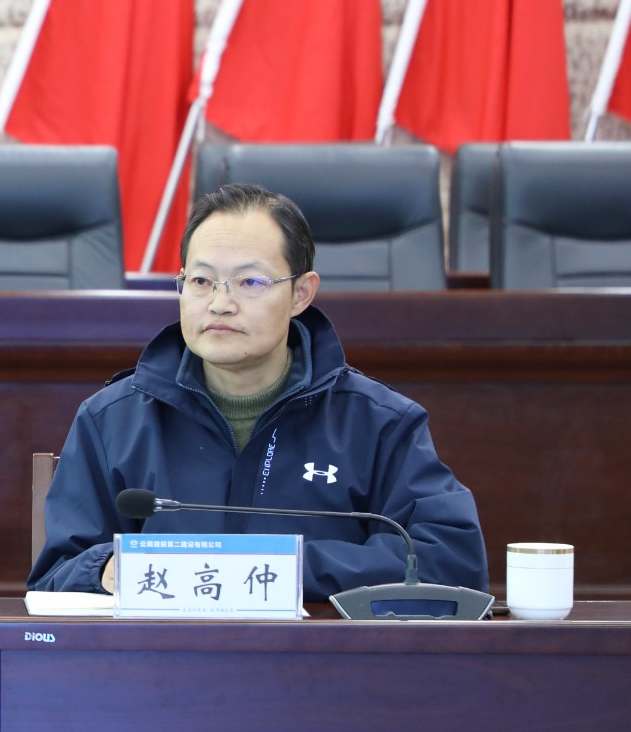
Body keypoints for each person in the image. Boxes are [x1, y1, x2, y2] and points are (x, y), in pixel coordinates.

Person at [29, 183, 489, 600]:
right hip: (164, 661)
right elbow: (54, 576)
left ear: (301, 294)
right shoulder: (112, 419)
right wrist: (104, 571)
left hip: (318, 662)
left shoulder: (379, 423)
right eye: (201, 281)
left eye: (250, 282)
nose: (220, 304)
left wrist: (278, 571)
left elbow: (451, 561)